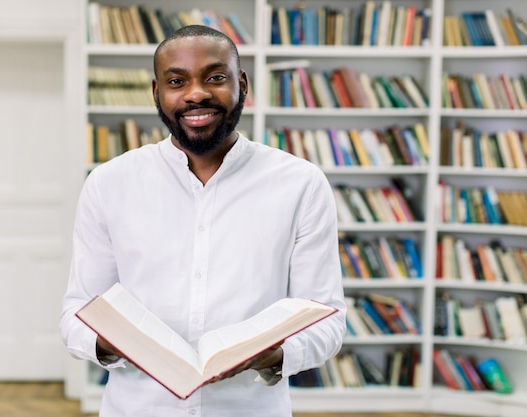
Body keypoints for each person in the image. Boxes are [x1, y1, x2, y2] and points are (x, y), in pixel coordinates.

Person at [60, 24, 346, 417]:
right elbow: (77, 315)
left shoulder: (300, 184)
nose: (196, 93)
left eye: (215, 77)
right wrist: (120, 343)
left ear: (242, 85)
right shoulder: (109, 184)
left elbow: (326, 321)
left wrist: (272, 354)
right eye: (177, 81)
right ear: (157, 93)